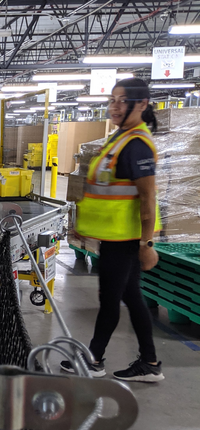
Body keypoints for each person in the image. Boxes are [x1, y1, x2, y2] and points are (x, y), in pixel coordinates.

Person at [62, 78, 164, 382]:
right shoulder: (120, 138)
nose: (114, 106)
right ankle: (150, 362)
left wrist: (147, 244)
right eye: (112, 100)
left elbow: (147, 198)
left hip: (126, 239)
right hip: (113, 236)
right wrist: (84, 227)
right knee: (131, 296)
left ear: (142, 104)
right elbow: (103, 189)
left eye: (122, 101)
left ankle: (94, 360)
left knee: (110, 299)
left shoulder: (136, 145)